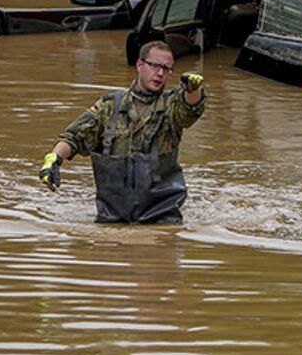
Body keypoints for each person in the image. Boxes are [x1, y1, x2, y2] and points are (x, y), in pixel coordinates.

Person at [37, 40, 206, 224]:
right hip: (112, 218)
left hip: (162, 219)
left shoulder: (171, 107)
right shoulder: (109, 107)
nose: (160, 73)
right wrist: (53, 159)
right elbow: (74, 138)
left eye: (167, 68)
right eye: (155, 66)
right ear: (140, 65)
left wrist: (193, 89)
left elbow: (190, 110)